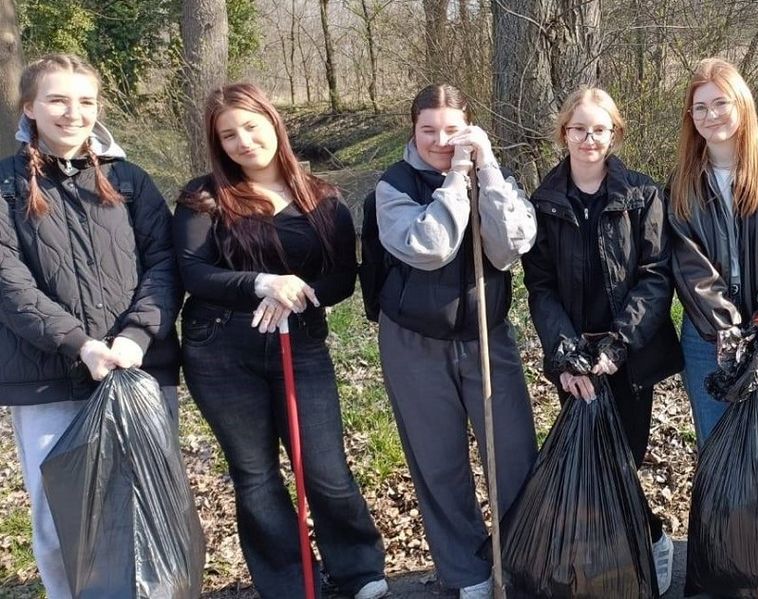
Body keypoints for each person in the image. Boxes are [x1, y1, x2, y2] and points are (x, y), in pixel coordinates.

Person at [173, 83, 387, 599]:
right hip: (220, 348)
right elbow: (192, 272)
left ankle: (358, 569)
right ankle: (290, 581)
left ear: (274, 122)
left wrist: (298, 292)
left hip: (301, 343)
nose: (244, 141)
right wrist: (259, 284)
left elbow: (342, 277)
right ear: (217, 144)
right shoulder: (203, 198)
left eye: (251, 126)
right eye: (229, 135)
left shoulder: (324, 198)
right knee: (255, 474)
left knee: (325, 468)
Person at [0, 53, 181, 599]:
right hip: (48, 378)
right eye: (56, 99)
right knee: (61, 524)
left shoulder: (131, 180)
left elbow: (164, 265)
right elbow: (9, 284)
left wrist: (134, 336)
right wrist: (80, 345)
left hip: (136, 369)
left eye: (84, 101)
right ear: (30, 107)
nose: (71, 113)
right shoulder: (6, 186)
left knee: (142, 510)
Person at [370, 84, 538, 599]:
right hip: (414, 341)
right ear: (413, 129)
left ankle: (521, 558)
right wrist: (455, 179)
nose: (441, 141)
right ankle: (467, 572)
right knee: (438, 461)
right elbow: (432, 246)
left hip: (488, 335)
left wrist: (485, 172)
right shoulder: (393, 186)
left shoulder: (492, 175)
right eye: (428, 130)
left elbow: (510, 247)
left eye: (452, 130)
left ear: (469, 127)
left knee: (513, 453)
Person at [521, 87, 683, 592]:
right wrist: (564, 354)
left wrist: (619, 343)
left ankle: (649, 541)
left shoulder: (642, 194)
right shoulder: (543, 203)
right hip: (573, 360)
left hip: (628, 360)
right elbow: (540, 285)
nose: (588, 139)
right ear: (563, 133)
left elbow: (656, 277)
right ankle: (605, 565)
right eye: (578, 129)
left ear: (614, 133)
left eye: (599, 129)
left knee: (621, 464)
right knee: (584, 465)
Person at [668, 57, 758, 446]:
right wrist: (726, 331)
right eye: (700, 107)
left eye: (720, 103)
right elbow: (689, 265)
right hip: (707, 337)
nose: (710, 115)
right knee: (720, 449)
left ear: (742, 106)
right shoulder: (682, 185)